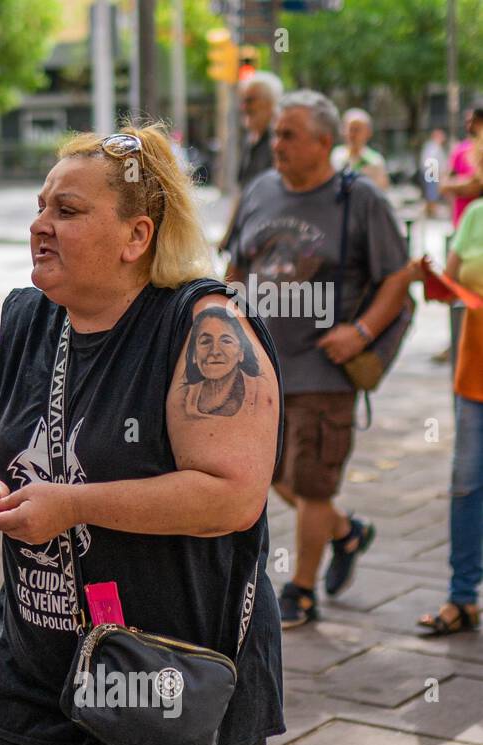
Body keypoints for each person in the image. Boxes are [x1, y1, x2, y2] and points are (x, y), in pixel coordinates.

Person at [0, 124, 288, 745]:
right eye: (41, 207)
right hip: (35, 663)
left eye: (67, 210)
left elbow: (231, 497)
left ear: (137, 234)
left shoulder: (205, 328)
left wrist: (71, 505)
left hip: (169, 656)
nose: (40, 224)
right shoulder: (28, 316)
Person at [226, 91, 418, 627]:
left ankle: (301, 590)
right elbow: (237, 265)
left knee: (312, 480)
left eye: (289, 135)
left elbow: (397, 277)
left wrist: (360, 332)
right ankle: (345, 532)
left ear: (324, 143)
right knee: (261, 472)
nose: (277, 144)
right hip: (257, 363)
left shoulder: (359, 200)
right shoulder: (261, 188)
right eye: (277, 133)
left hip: (323, 371)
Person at [417, 189, 483, 637]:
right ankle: (462, 598)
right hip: (474, 372)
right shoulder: (476, 213)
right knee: (466, 483)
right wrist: (437, 281)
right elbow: (453, 284)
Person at [220, 71, 282, 254]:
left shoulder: (278, 143)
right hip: (249, 237)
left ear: (270, 103)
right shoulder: (251, 141)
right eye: (243, 101)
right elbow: (243, 192)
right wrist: (228, 237)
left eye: (250, 100)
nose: (244, 107)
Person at [441, 106, 483, 229]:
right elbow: (443, 185)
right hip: (461, 223)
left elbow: (477, 186)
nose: (469, 125)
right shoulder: (459, 151)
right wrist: (468, 182)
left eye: (473, 121)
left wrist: (458, 185)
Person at [331, 108, 390, 192]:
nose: (353, 134)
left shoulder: (375, 161)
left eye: (357, 129)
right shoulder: (335, 156)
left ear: (368, 132)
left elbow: (381, 193)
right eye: (350, 129)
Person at [421, 128, 448, 219]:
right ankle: (431, 211)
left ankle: (430, 211)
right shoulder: (433, 147)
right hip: (432, 174)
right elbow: (431, 162)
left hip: (432, 174)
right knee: (432, 193)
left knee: (431, 193)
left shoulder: (434, 146)